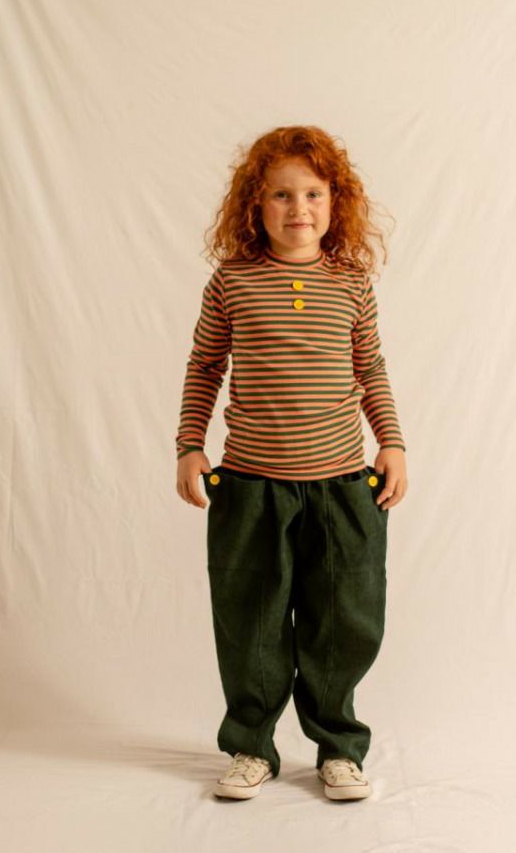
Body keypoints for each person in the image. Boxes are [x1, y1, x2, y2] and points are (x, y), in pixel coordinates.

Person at [174, 125, 408, 802]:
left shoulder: (351, 283)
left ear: (336, 202)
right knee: (251, 623)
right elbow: (205, 366)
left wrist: (392, 443)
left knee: (343, 623)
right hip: (252, 489)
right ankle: (251, 746)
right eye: (280, 194)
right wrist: (190, 445)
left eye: (312, 193)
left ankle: (338, 749)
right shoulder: (233, 282)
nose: (297, 207)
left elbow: (370, 367)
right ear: (255, 204)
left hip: (342, 488)